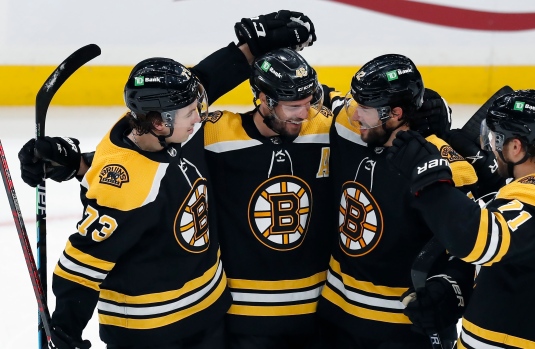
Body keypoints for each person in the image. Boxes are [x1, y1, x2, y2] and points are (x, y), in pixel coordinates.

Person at [17, 11, 317, 349]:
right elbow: (82, 265)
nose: (201, 117)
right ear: (159, 123)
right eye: (192, 113)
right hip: (150, 333)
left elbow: (206, 80)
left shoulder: (173, 130)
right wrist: (66, 329)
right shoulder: (126, 180)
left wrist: (248, 50)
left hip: (208, 315)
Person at [387, 89, 535, 348]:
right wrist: (454, 288)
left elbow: (472, 238)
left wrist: (430, 178)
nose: (488, 145)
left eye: (494, 138)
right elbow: (513, 259)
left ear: (516, 147)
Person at [315, 54, 477, 348]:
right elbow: (323, 96)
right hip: (335, 317)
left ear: (397, 114)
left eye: (364, 109)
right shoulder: (348, 127)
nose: (354, 116)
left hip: (399, 329)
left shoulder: (436, 162)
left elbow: (464, 241)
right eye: (356, 104)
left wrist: (453, 289)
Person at [201, 48, 333, 348]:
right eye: (293, 106)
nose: (304, 114)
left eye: (308, 102)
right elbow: (151, 135)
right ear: (263, 99)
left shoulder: (326, 128)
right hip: (243, 315)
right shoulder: (216, 134)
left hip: (316, 310)